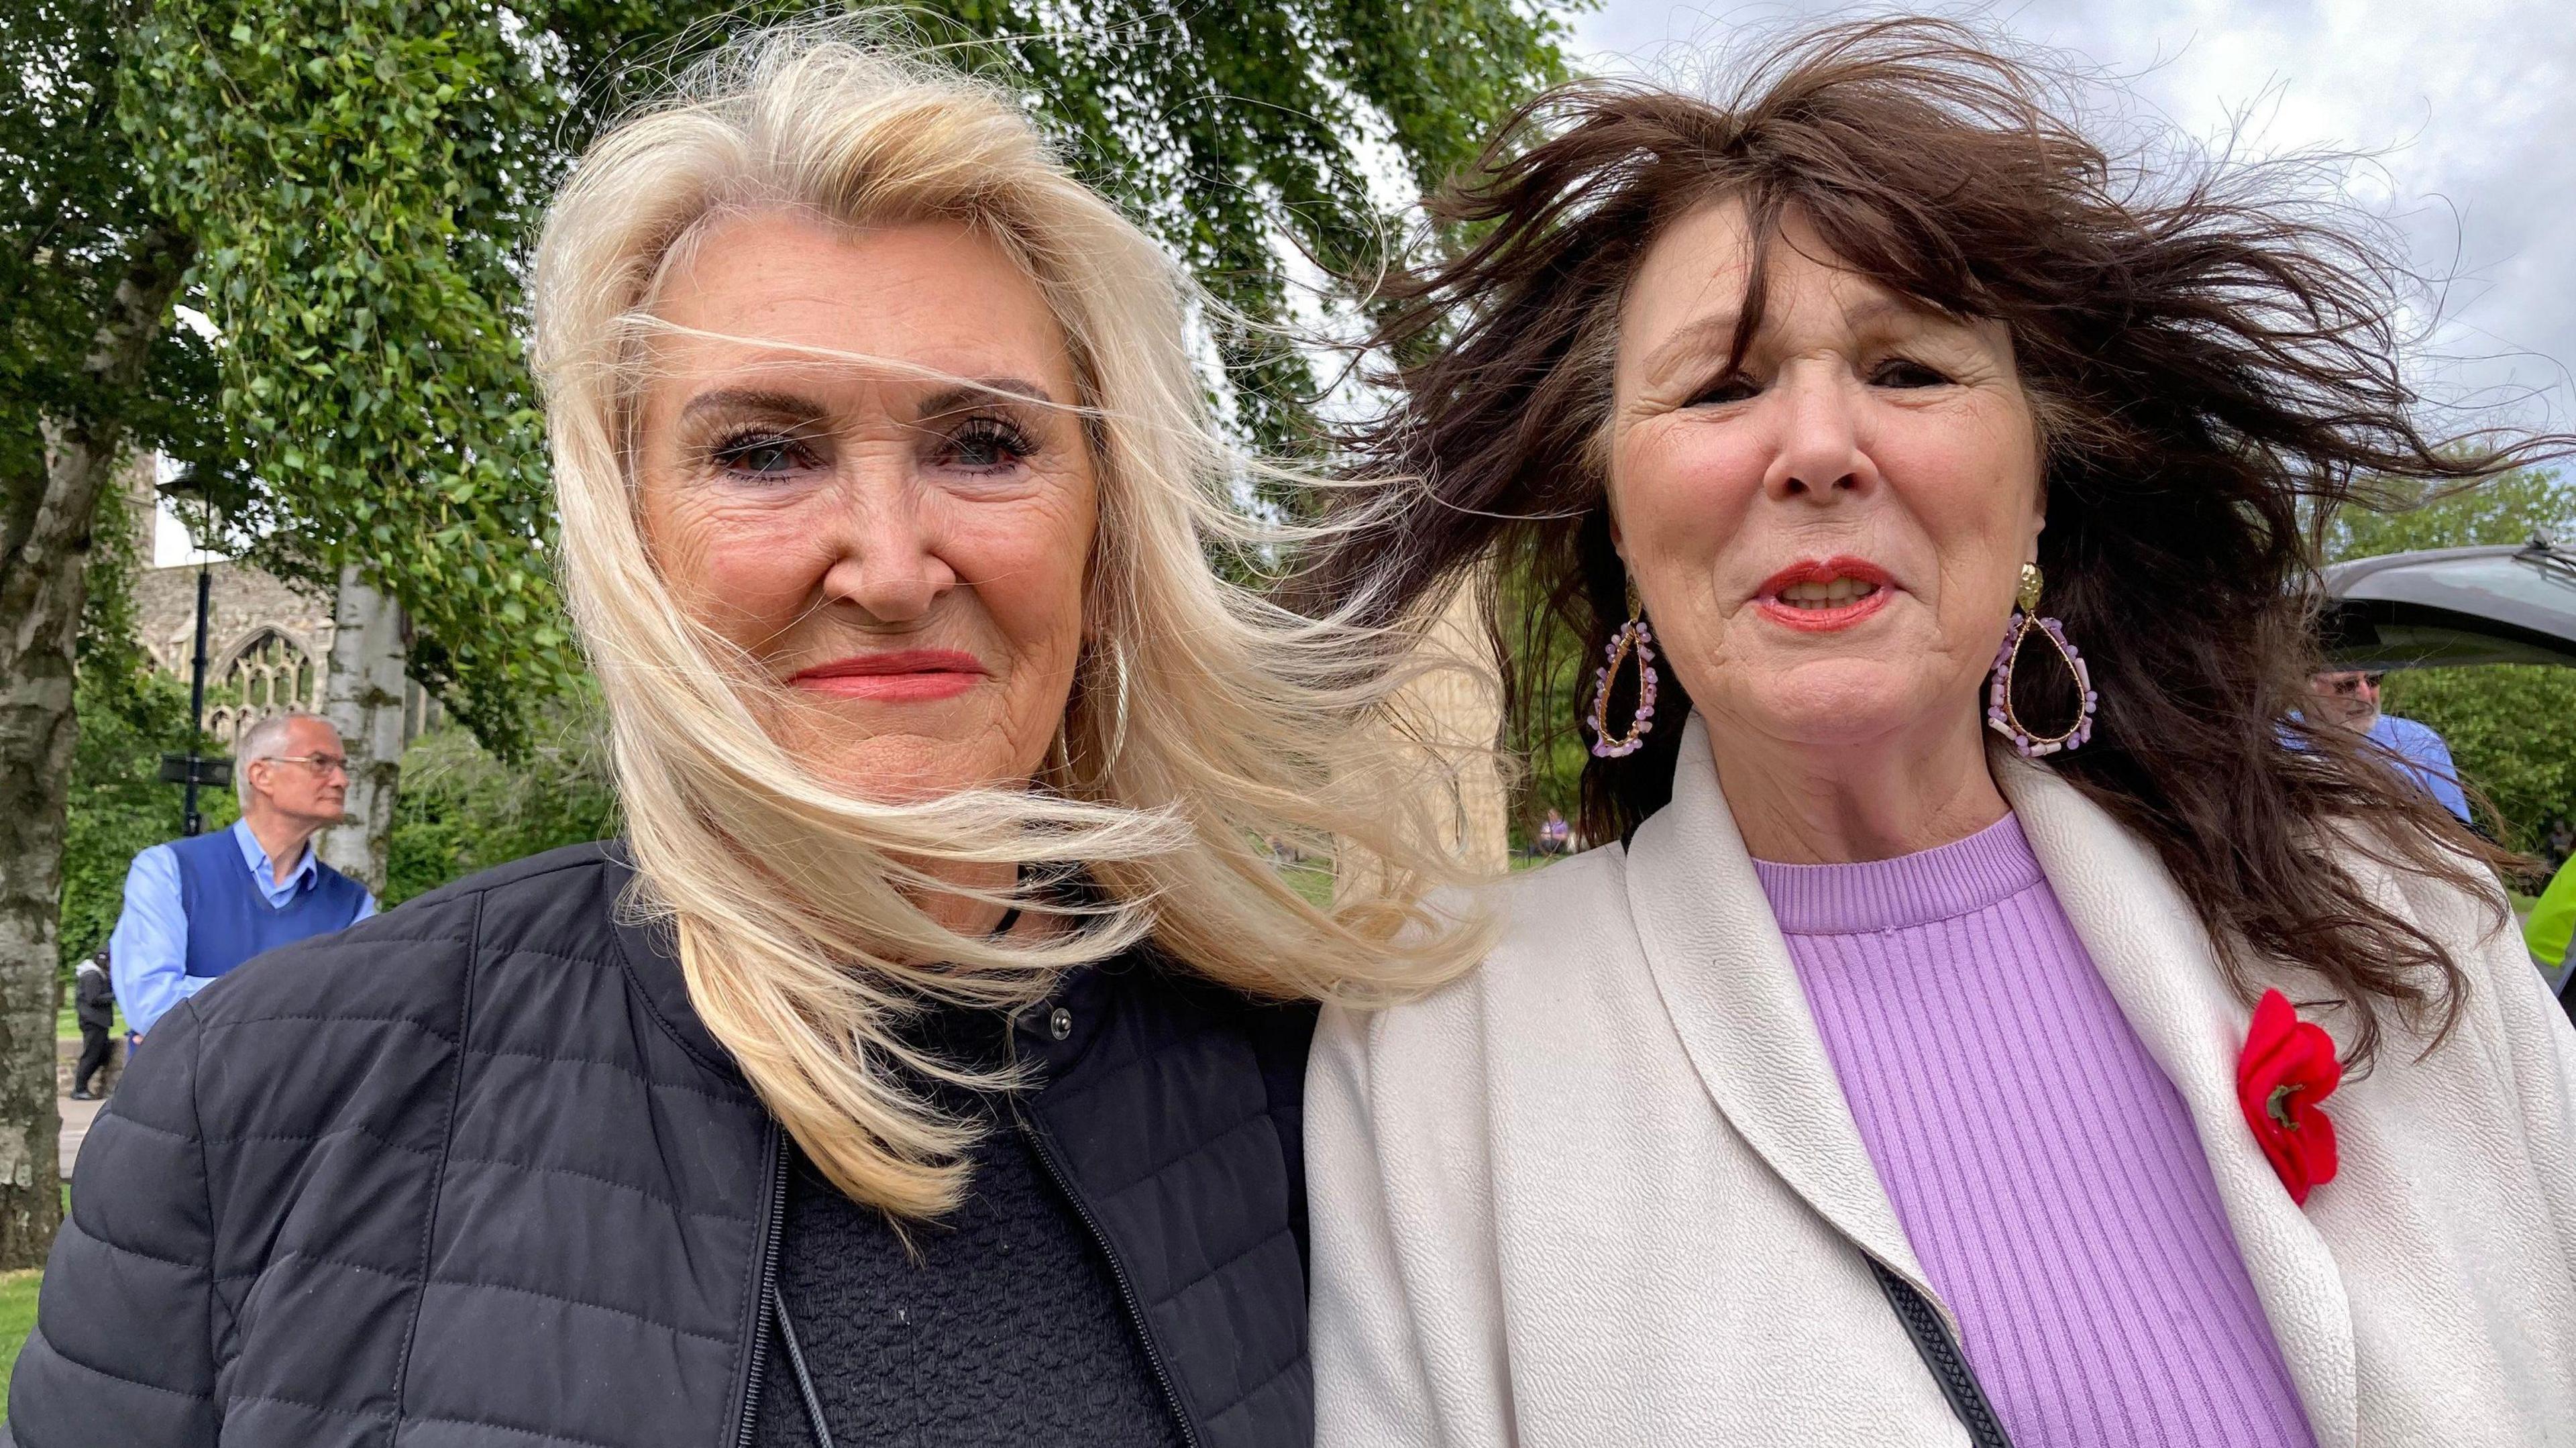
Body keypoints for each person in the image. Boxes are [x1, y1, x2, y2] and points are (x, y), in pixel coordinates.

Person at [9, 28, 1477, 1448]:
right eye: (763, 452)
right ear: (629, 533)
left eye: (985, 442)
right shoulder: (259, 1109)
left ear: (1109, 529)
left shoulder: (1333, 1093)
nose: (893, 565)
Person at [1298, 21, 2576, 1447]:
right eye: (1721, 386)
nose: (1819, 444)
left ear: (2039, 489)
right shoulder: (1434, 1056)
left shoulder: (2402, 916)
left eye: (1909, 368)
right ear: (1615, 511)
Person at [103, 710, 376, 1038]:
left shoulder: (354, 904)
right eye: (320, 763)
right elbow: (152, 1005)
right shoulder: (167, 871)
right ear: (262, 775)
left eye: (343, 767)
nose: (341, 780)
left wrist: (201, 1014)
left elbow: (360, 1020)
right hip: (180, 1090)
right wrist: (304, 1003)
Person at [2308, 668, 2473, 823]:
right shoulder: (2282, 741)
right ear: (2306, 688)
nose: (2365, 697)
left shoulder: (2421, 742)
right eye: (2347, 685)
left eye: (2373, 680)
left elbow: (2459, 838)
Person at [68, 950, 113, 1100]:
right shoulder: (92, 975)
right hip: (93, 1021)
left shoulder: (96, 974)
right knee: (91, 1055)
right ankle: (79, 1088)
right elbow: (93, 998)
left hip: (98, 1021)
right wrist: (115, 995)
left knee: (103, 1054)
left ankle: (82, 1086)